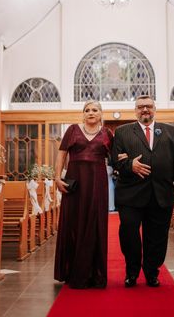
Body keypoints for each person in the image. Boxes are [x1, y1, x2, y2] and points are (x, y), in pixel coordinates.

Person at [111, 95, 174, 288]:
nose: (144, 110)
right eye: (140, 107)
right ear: (135, 110)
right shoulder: (122, 132)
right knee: (129, 232)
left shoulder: (169, 131)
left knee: (157, 236)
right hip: (130, 194)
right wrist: (130, 165)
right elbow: (115, 159)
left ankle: (152, 272)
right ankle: (132, 272)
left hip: (161, 193)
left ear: (155, 108)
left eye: (148, 106)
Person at [54, 100, 113, 289]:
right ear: (83, 114)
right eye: (87, 110)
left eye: (95, 110)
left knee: (95, 223)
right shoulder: (72, 130)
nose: (90, 112)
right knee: (74, 223)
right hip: (75, 182)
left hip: (98, 182)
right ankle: (74, 272)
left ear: (101, 113)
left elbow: (117, 156)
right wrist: (56, 177)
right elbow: (62, 154)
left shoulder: (108, 134)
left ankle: (95, 274)